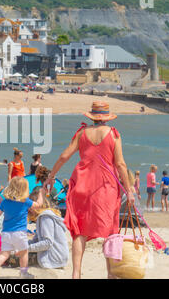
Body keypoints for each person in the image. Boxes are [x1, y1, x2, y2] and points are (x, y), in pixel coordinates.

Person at [43, 101, 134, 279]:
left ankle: (76, 274)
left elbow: (64, 156)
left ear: (92, 116)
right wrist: (129, 190)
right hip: (105, 187)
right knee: (110, 231)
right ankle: (110, 274)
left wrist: (51, 176)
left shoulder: (82, 133)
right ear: (107, 117)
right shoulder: (114, 134)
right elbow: (120, 164)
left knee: (80, 231)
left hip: (82, 185)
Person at [0, 176, 45, 279]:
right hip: (19, 233)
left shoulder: (5, 202)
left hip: (6, 233)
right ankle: (24, 274)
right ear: (25, 189)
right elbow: (38, 205)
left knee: (4, 254)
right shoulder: (25, 201)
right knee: (24, 252)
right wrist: (41, 193)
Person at [27, 189, 69, 269]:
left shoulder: (45, 218)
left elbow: (47, 242)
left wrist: (26, 249)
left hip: (53, 259)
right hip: (58, 257)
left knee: (16, 257)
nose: (29, 208)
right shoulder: (45, 216)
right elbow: (36, 240)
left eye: (31, 205)